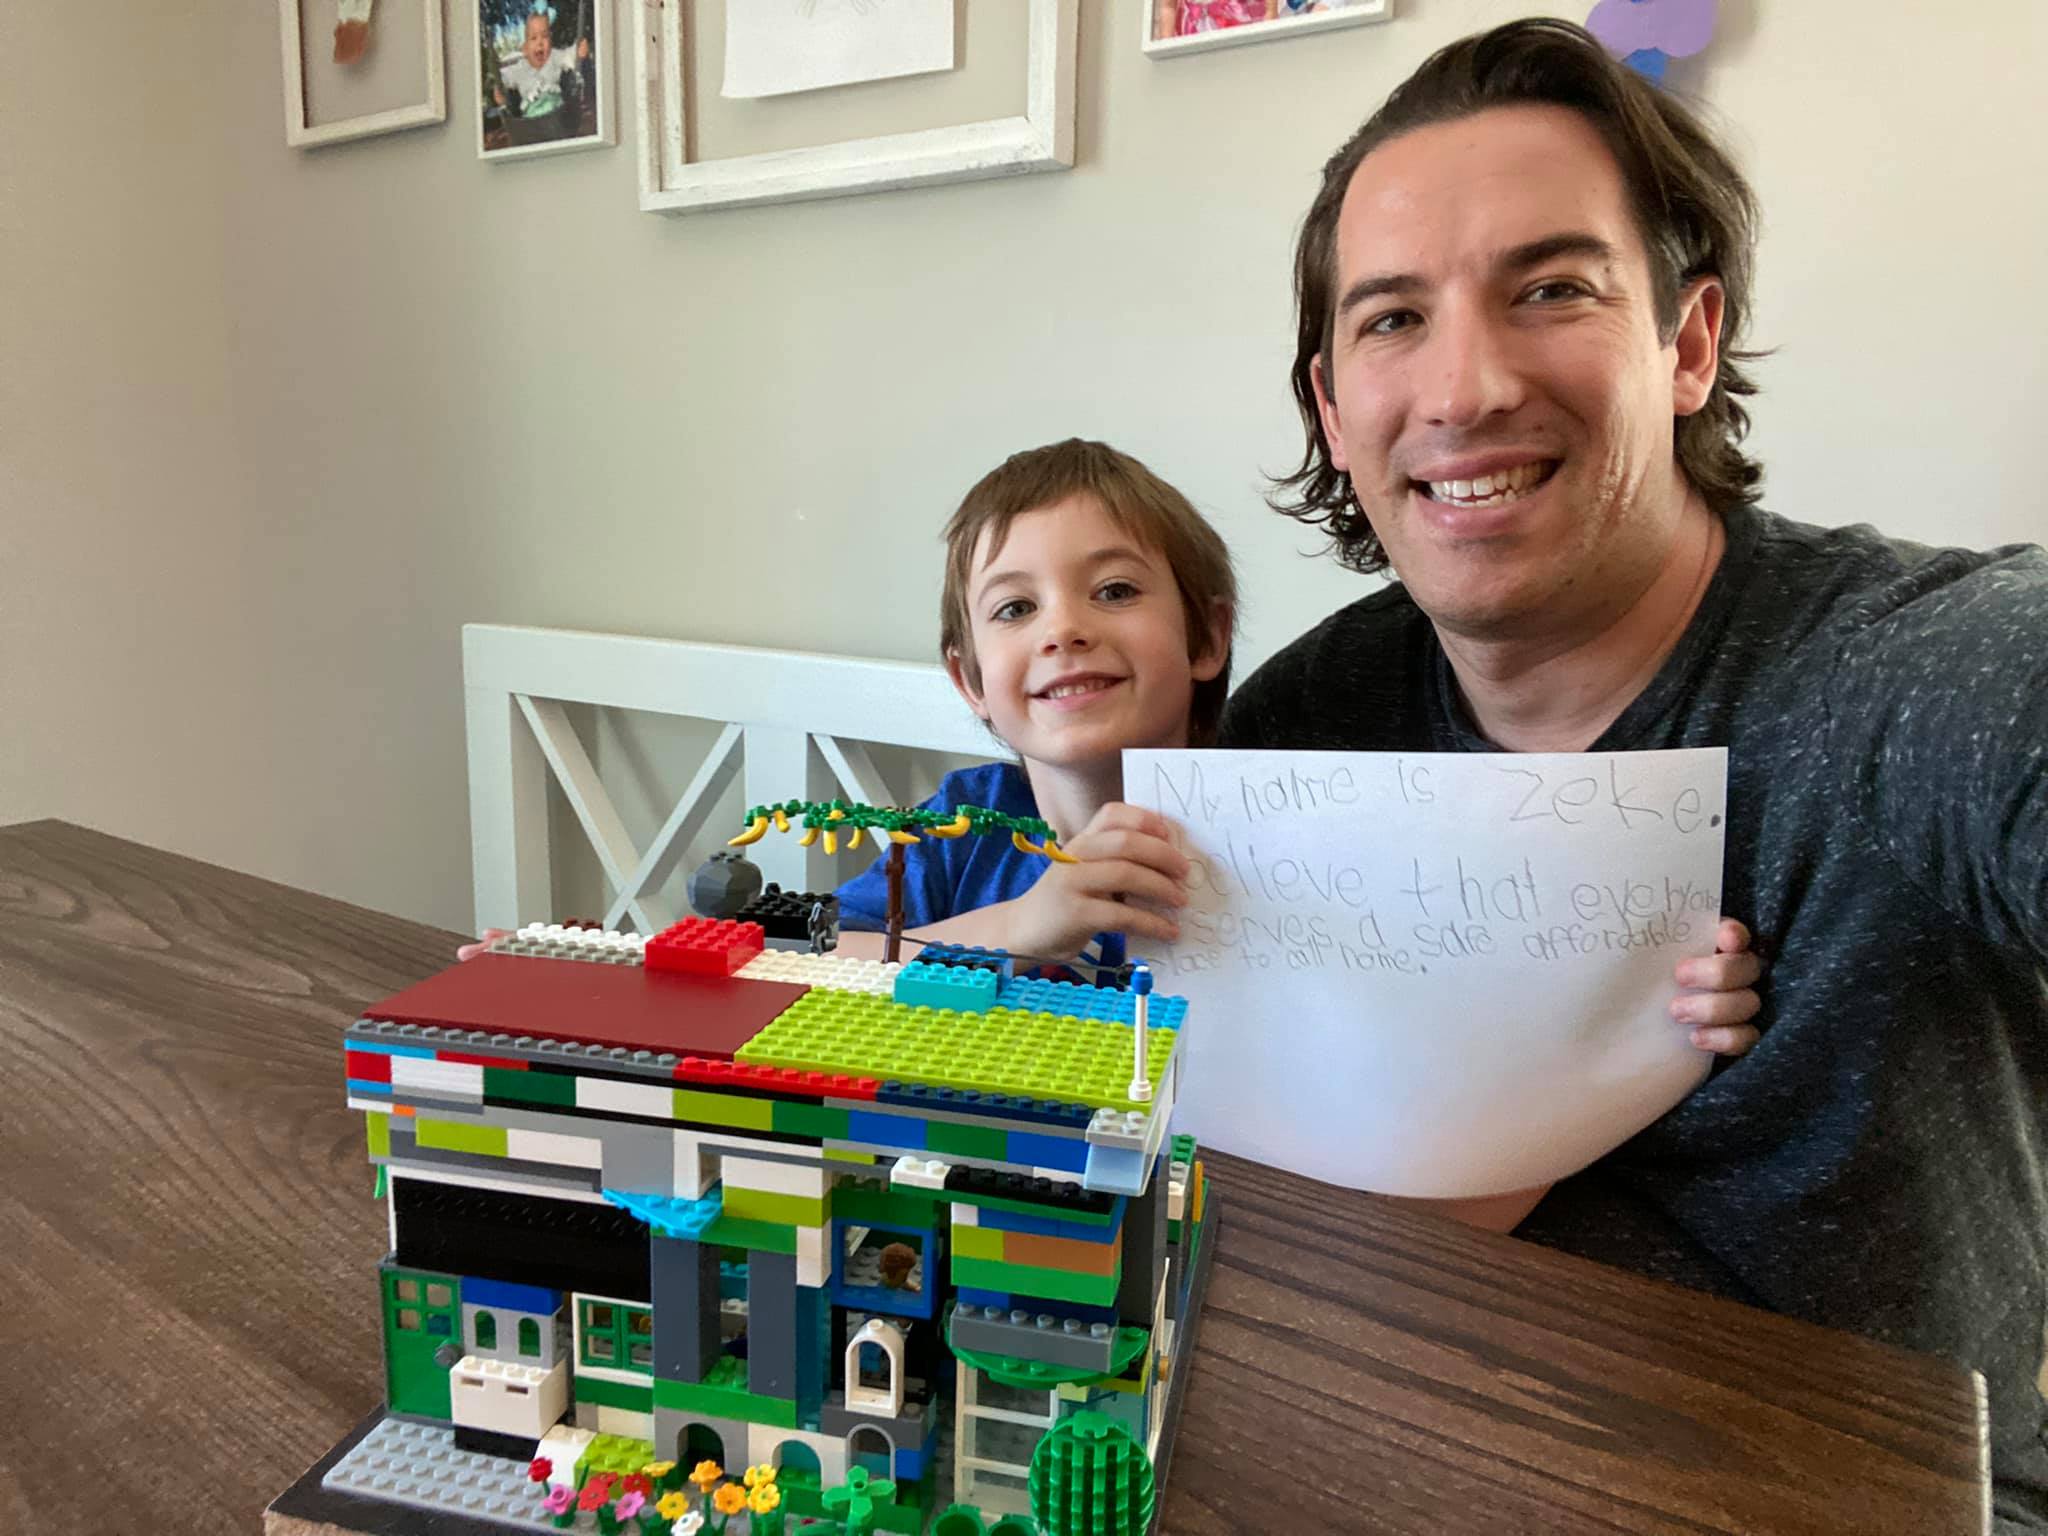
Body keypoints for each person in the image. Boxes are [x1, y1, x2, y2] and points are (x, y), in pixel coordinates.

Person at [1220, 18, 2048, 1527]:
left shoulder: (1917, 682)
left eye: (1551, 290)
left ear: (1688, 342)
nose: (1462, 389)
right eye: (1393, 319)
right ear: (1334, 409)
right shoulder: (1301, 731)